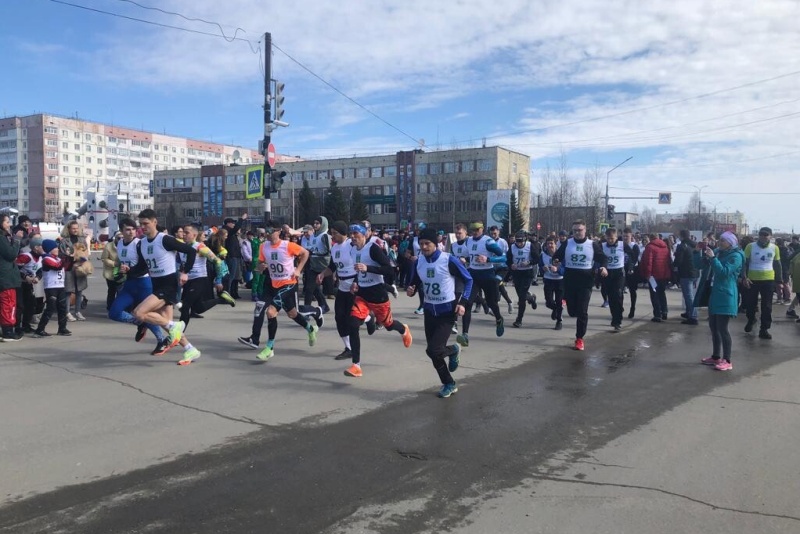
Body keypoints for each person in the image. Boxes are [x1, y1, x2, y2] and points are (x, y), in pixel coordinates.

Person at [122, 209, 200, 365]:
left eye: (146, 224)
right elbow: (143, 267)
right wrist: (130, 271)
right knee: (165, 323)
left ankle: (175, 325)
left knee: (139, 312)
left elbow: (191, 251)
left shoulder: (165, 240)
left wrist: (185, 272)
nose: (143, 227)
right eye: (141, 224)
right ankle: (190, 349)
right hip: (156, 284)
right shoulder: (141, 244)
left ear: (155, 222)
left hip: (170, 284)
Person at [406, 227, 473, 398]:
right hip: (429, 311)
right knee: (433, 352)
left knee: (434, 350)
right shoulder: (418, 261)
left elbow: (468, 280)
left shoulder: (448, 260)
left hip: (447, 311)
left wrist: (463, 302)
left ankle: (453, 351)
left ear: (435, 244)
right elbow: (415, 282)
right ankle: (449, 383)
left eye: (427, 243)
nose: (424, 247)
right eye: (421, 244)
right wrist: (412, 289)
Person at [343, 223, 412, 378]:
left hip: (378, 294)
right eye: (351, 233)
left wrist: (368, 268)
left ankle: (404, 329)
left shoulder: (373, 248)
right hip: (362, 294)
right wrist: (356, 281)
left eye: (356, 234)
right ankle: (356, 365)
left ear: (365, 234)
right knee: (352, 324)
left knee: (388, 325)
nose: (353, 236)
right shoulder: (353, 250)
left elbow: (389, 269)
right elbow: (358, 271)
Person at [245, 222, 319, 361]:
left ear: (278, 231)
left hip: (289, 284)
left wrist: (298, 270)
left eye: (270, 230)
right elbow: (260, 264)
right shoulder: (263, 246)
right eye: (266, 230)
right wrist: (261, 266)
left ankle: (269, 348)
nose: (267, 233)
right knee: (292, 314)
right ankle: (310, 329)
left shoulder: (287, 245)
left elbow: (305, 253)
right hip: (274, 284)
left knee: (271, 312)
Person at [109, 219, 169, 355]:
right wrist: (118, 272)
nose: (131, 232)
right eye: (127, 229)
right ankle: (139, 323)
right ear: (121, 231)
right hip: (129, 285)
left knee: (146, 314)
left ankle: (161, 340)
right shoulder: (119, 243)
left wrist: (130, 269)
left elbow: (145, 267)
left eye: (133, 229)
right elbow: (119, 263)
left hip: (143, 284)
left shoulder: (139, 244)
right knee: (114, 313)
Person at [552, 219, 607, 350]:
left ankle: (579, 338)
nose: (577, 233)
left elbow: (603, 258)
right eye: (575, 230)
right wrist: (556, 260)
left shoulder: (592, 244)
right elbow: (556, 255)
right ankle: (571, 308)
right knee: (572, 312)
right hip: (570, 279)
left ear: (585, 230)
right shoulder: (567, 243)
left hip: (586, 280)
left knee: (582, 311)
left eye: (580, 230)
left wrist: (604, 267)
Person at [695, 232, 745, 371]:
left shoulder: (736, 256)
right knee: (713, 327)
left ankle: (727, 360)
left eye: (723, 241)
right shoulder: (718, 252)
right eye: (720, 240)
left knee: (723, 328)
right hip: (715, 293)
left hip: (726, 294)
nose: (719, 242)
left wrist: (713, 259)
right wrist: (697, 253)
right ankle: (716, 356)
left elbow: (723, 273)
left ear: (731, 243)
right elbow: (699, 265)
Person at [456, 222, 507, 347]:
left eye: (477, 230)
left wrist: (488, 259)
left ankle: (499, 319)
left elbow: (504, 258)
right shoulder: (468, 241)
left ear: (482, 229)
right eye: (472, 230)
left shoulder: (488, 241)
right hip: (473, 275)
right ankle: (465, 335)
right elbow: (469, 256)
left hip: (487, 275)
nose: (474, 232)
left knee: (492, 303)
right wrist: (464, 259)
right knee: (467, 303)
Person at [742, 227, 781, 339]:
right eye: (762, 234)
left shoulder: (775, 248)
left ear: (770, 236)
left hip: (768, 280)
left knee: (767, 306)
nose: (764, 236)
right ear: (758, 235)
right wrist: (744, 277)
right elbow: (744, 263)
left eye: (766, 234)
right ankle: (751, 319)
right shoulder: (751, 246)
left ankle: (764, 329)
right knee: (750, 304)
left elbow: (777, 265)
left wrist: (779, 281)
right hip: (752, 280)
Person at [33, 239, 72, 338]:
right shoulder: (46, 258)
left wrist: (70, 259)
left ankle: (62, 328)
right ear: (50, 249)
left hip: (60, 286)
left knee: (62, 308)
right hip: (51, 287)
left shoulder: (58, 258)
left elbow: (66, 267)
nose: (57, 249)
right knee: (50, 308)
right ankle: (40, 329)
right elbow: (57, 267)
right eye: (55, 248)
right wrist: (65, 257)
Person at [507, 230, 539, 328]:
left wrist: (529, 262)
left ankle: (519, 319)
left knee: (521, 297)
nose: (519, 243)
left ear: (525, 240)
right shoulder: (512, 247)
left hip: (527, 273)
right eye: (517, 241)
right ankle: (531, 298)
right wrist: (511, 265)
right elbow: (508, 260)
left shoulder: (530, 246)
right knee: (521, 294)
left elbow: (537, 258)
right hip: (517, 273)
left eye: (521, 241)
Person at [15, 235, 45, 336]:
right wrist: (25, 277)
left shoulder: (41, 257)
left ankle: (26, 325)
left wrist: (37, 278)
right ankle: (16, 326)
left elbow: (40, 270)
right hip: (20, 283)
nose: (44, 248)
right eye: (42, 246)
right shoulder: (26, 256)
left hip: (29, 284)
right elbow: (16, 268)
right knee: (20, 305)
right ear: (36, 247)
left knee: (31, 305)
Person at [639, 233, 673, 322]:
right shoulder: (665, 246)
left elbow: (648, 262)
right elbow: (668, 261)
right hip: (663, 275)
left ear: (650, 238)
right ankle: (664, 311)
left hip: (653, 276)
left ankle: (657, 314)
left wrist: (647, 274)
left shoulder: (649, 247)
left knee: (654, 295)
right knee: (662, 293)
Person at [60, 221, 89, 321]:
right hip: (69, 268)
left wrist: (82, 257)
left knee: (79, 290)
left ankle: (77, 311)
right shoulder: (64, 241)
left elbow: (86, 252)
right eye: (73, 228)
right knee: (68, 291)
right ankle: (67, 312)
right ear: (68, 229)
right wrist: (69, 256)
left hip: (80, 267)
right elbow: (61, 255)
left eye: (77, 228)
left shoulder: (82, 239)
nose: (75, 230)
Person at [0, 214, 22, 341]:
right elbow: (10, 254)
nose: (9, 225)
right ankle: (8, 331)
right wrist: (17, 240)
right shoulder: (2, 238)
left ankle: (6, 329)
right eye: (7, 222)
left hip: (4, 275)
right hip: (6, 276)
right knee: (8, 303)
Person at [304, 216, 332, 312]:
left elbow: (328, 251)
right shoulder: (312, 236)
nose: (315, 225)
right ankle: (307, 309)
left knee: (330, 290)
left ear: (323, 224)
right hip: (314, 266)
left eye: (318, 223)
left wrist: (314, 253)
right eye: (314, 223)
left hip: (324, 267)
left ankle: (323, 305)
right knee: (310, 288)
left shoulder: (325, 236)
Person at [600, 228, 627, 331]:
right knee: (611, 297)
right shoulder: (602, 246)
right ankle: (614, 316)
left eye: (612, 238)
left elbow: (632, 254)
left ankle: (618, 320)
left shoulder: (622, 244)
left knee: (618, 293)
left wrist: (630, 266)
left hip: (619, 272)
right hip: (607, 273)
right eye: (608, 238)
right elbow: (598, 258)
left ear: (616, 237)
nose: (610, 240)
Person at [673, 229, 699, 325]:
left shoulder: (682, 246)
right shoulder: (695, 244)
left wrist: (674, 265)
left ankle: (693, 316)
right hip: (694, 272)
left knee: (688, 295)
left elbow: (679, 260)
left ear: (681, 236)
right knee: (689, 294)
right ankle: (689, 312)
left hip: (686, 272)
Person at [540, 236, 565, 330]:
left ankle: (559, 320)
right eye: (548, 244)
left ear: (555, 244)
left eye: (552, 243)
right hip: (548, 280)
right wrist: (543, 269)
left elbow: (565, 269)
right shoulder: (543, 255)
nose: (550, 246)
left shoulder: (562, 255)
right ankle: (555, 309)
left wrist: (558, 269)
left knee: (559, 301)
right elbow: (540, 266)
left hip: (560, 280)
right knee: (549, 302)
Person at [222, 215, 247, 299]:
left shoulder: (233, 234)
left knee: (236, 276)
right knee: (231, 276)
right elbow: (236, 229)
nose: (233, 225)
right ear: (228, 223)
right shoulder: (226, 230)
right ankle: (227, 294)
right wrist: (241, 219)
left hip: (236, 256)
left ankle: (234, 293)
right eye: (232, 223)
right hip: (231, 256)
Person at [622, 228, 641, 319]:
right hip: (622, 270)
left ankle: (632, 307)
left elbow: (635, 258)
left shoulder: (634, 246)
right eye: (624, 236)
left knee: (632, 290)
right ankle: (620, 308)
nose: (625, 238)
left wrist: (631, 267)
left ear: (631, 236)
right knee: (620, 290)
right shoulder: (620, 245)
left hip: (632, 271)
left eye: (627, 236)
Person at [101, 233, 122, 311]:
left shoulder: (126, 244)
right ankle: (110, 308)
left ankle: (119, 309)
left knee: (121, 291)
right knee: (112, 291)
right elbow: (104, 258)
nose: (121, 240)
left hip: (123, 272)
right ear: (115, 238)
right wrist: (114, 263)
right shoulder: (108, 246)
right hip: (110, 272)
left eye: (122, 238)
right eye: (119, 238)